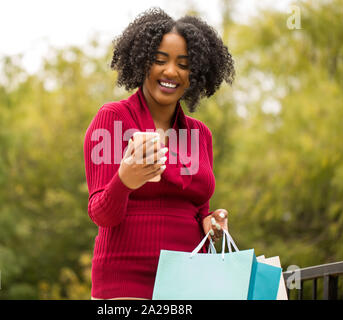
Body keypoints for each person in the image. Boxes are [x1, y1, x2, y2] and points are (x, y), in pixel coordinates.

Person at [83, 7, 235, 300]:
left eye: (183, 64)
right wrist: (124, 181)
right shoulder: (112, 119)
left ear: (195, 73)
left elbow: (200, 210)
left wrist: (211, 223)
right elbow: (101, 214)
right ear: (142, 63)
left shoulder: (200, 134)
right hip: (126, 282)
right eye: (160, 60)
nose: (170, 72)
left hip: (190, 280)